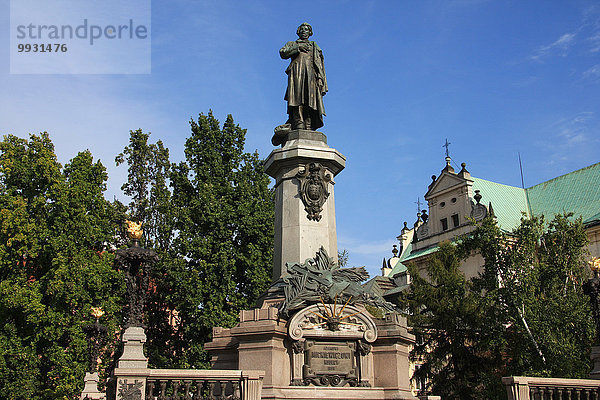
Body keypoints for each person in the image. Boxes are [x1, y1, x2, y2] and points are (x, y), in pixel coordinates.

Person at [280, 23, 328, 131]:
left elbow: (319, 64)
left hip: (311, 75)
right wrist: (298, 47)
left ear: (310, 33)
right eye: (302, 29)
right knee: (297, 98)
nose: (304, 31)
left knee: (310, 98)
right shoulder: (292, 44)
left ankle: (308, 122)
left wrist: (320, 78)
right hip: (296, 73)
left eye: (306, 30)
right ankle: (298, 121)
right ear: (298, 31)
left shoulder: (314, 46)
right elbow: (283, 53)